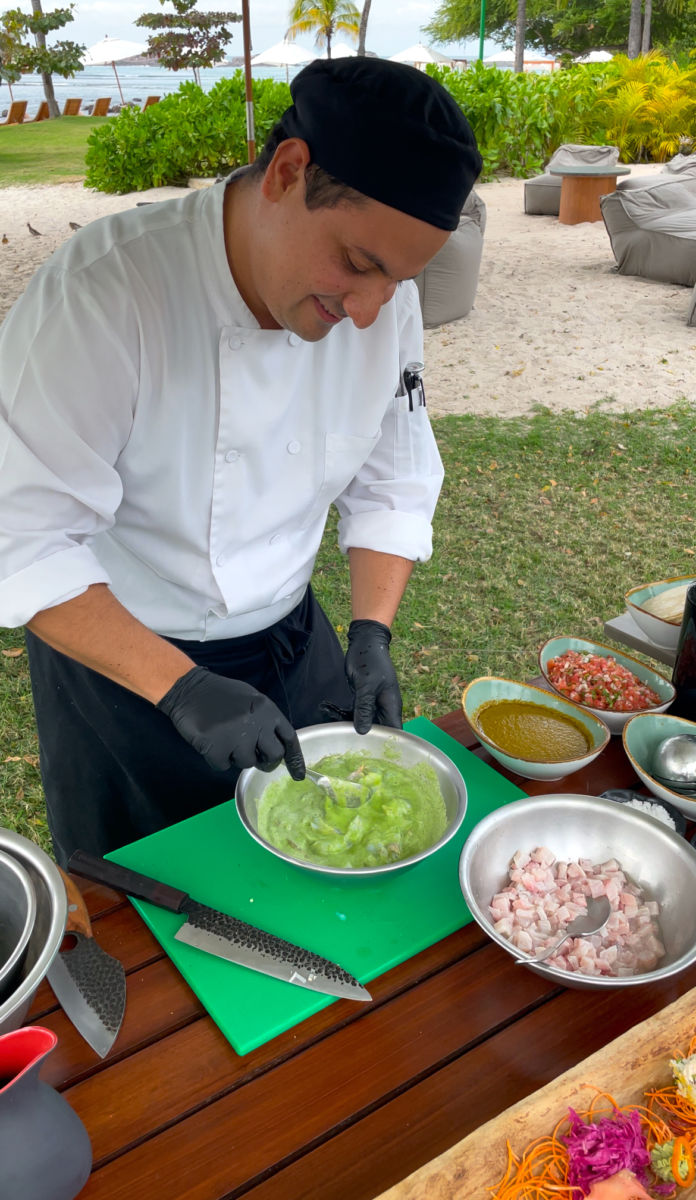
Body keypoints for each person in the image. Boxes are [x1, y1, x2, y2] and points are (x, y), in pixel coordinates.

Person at [0, 57, 481, 867]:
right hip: (122, 661)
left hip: (292, 643)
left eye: (399, 281)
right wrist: (179, 684)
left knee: (315, 863)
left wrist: (371, 630)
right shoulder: (103, 293)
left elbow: (392, 476)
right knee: (152, 890)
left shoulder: (379, 302)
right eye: (360, 264)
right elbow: (22, 539)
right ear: (288, 173)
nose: (370, 312)